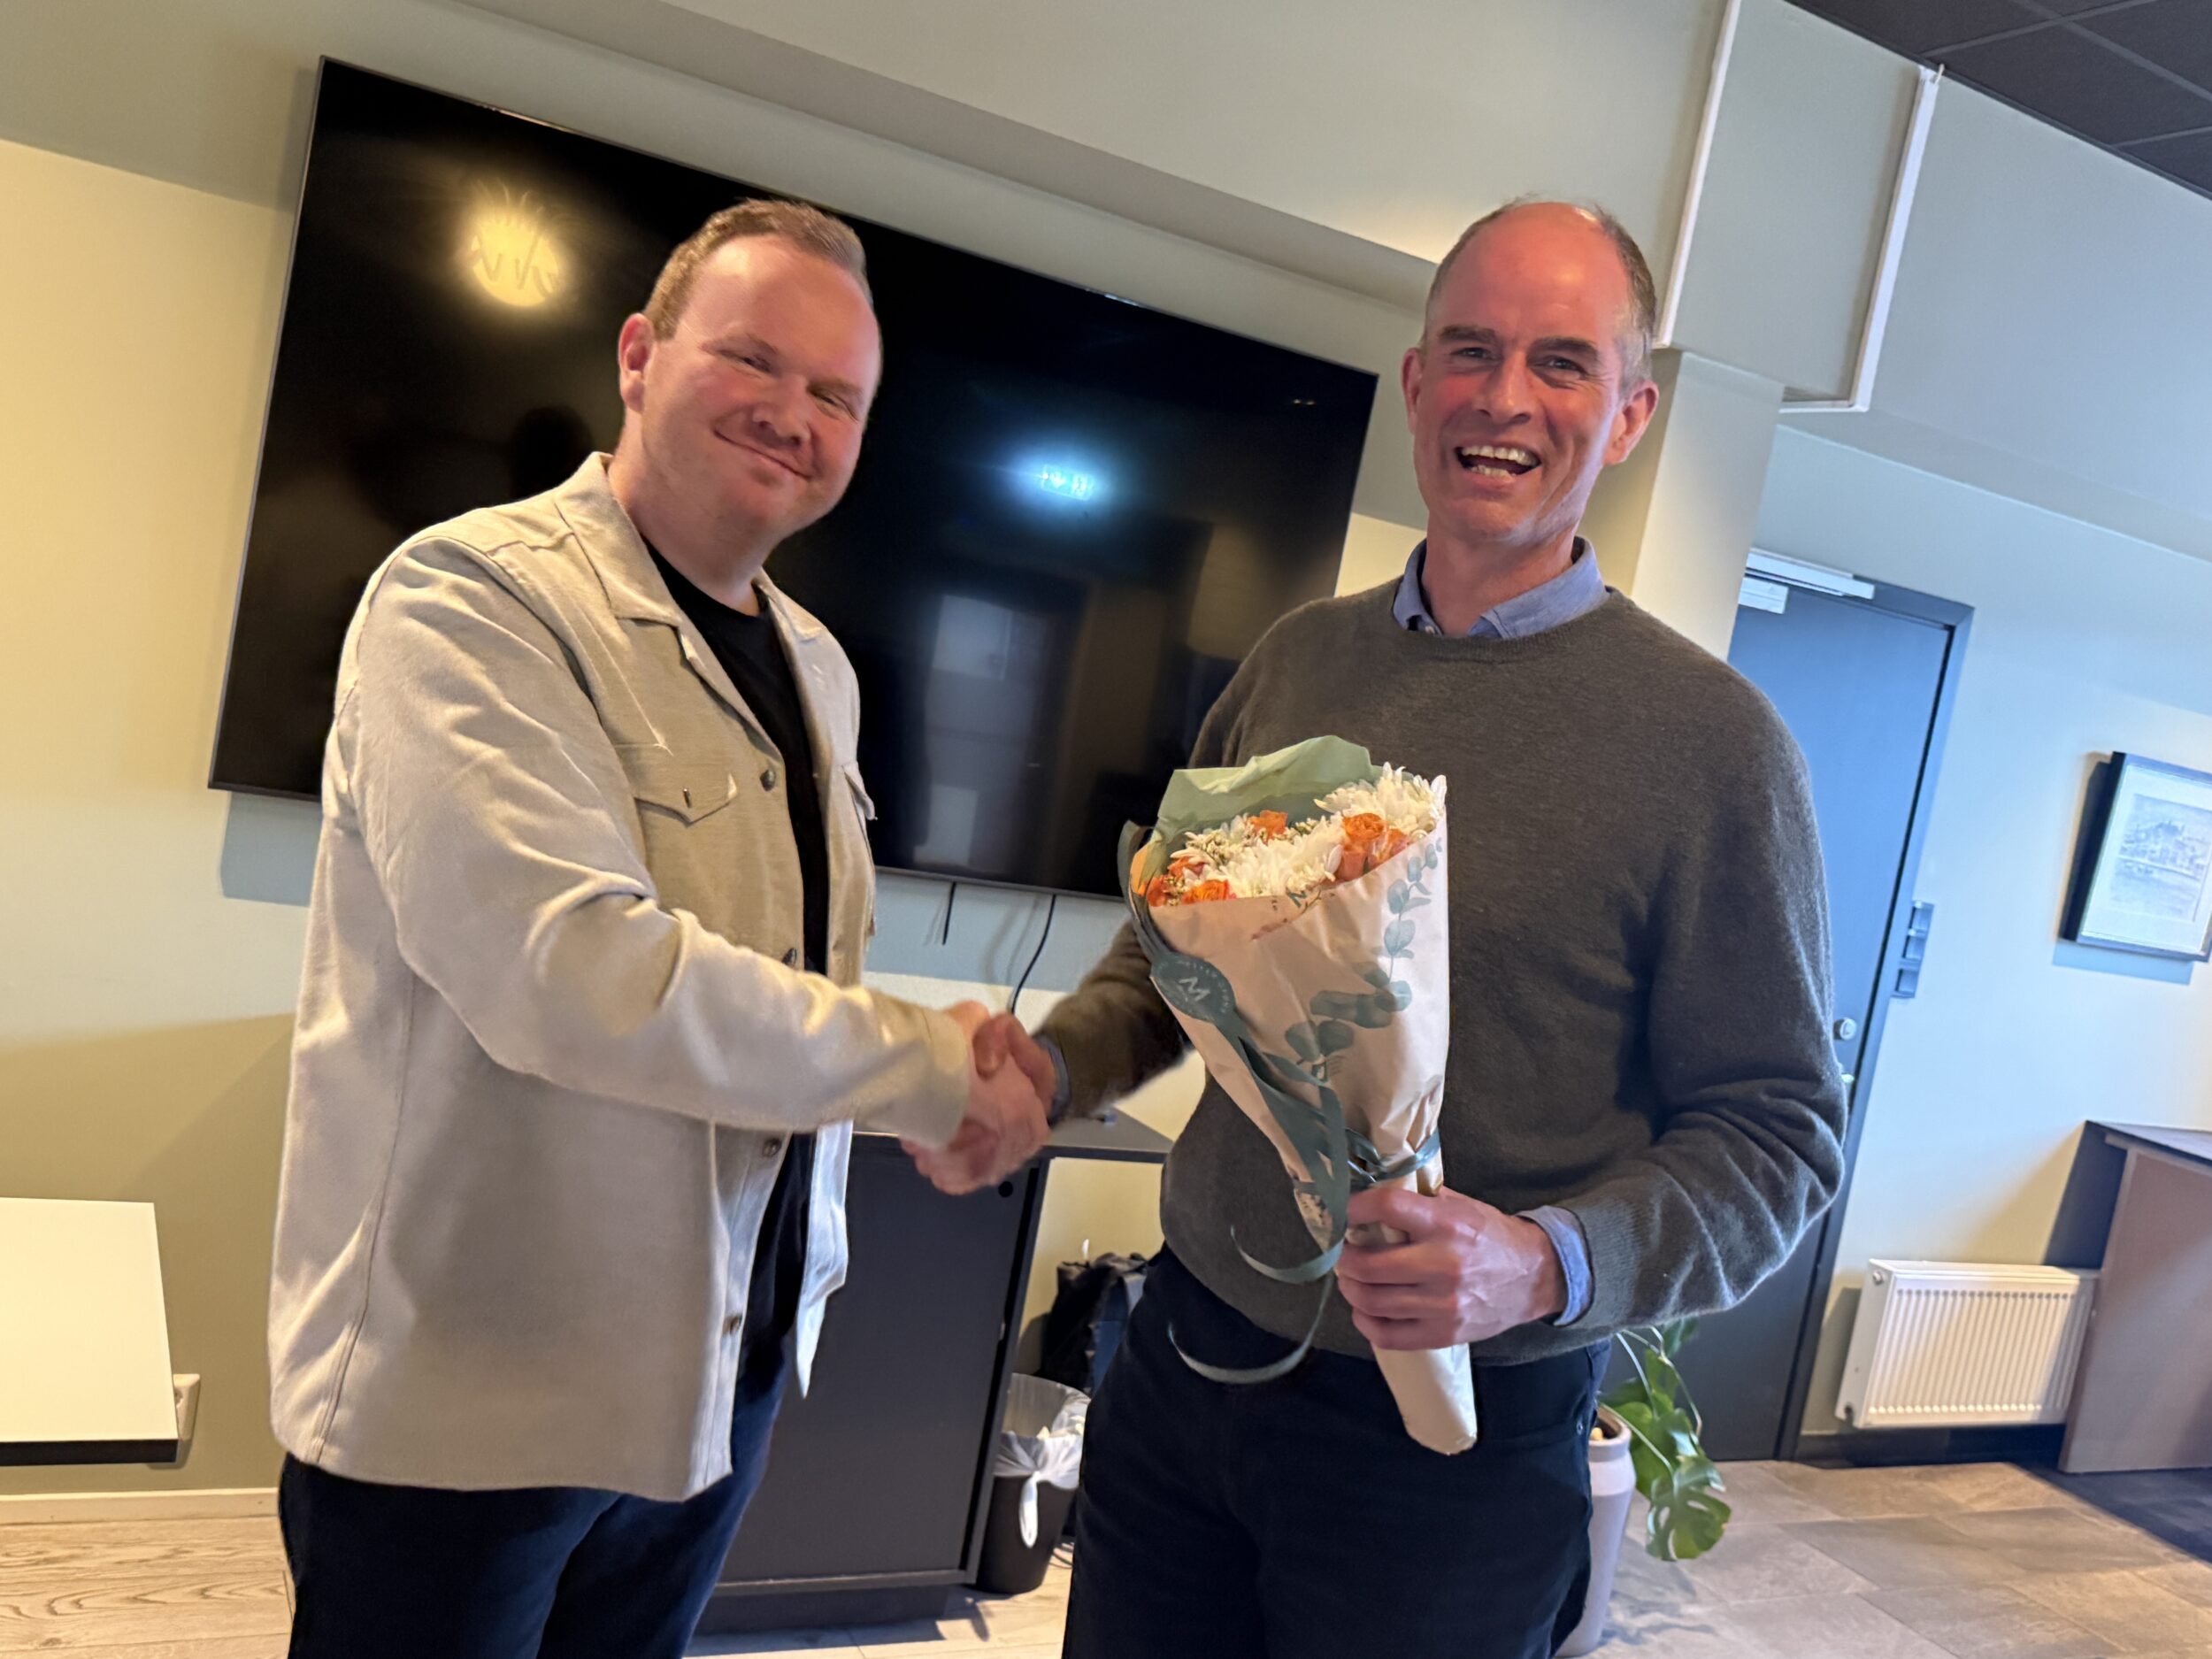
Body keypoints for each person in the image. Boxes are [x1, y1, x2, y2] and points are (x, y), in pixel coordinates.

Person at [1018, 200, 1850, 1659]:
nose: (1504, 396)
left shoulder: (1716, 750)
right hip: (1186, 1359)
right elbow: (1175, 954)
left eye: (1562, 362)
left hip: (1455, 1446)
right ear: (1415, 384)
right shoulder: (1296, 662)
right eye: (1470, 349)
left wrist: (1543, 1261)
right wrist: (1053, 1069)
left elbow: (1778, 1137)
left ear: (1631, 414)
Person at [266, 199, 1052, 1658]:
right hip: (475, 1403)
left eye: (837, 396)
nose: (792, 416)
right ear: (639, 355)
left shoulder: (819, 667)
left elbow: (795, 972)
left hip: (716, 1378)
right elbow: (567, 971)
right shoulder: (470, 599)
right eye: (752, 359)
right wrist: (930, 1068)